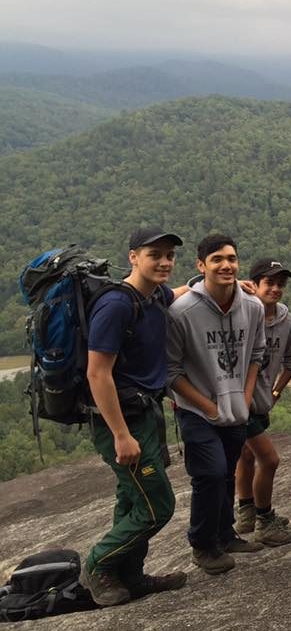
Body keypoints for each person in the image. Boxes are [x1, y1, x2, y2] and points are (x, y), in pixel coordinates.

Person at [80, 227, 187, 606]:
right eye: (154, 254)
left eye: (169, 255)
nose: (164, 262)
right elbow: (97, 374)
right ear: (133, 257)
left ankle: (130, 576)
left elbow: (179, 292)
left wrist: (231, 282)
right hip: (121, 419)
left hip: (145, 411)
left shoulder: (154, 295)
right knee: (158, 507)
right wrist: (121, 435)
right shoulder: (116, 306)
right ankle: (97, 564)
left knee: (131, 498)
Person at [167, 234, 266, 575]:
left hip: (236, 407)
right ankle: (202, 544)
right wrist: (208, 407)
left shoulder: (252, 307)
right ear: (201, 265)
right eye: (217, 259)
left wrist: (246, 397)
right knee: (209, 474)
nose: (226, 265)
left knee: (226, 473)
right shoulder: (181, 312)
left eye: (231, 259)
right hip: (196, 410)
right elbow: (170, 370)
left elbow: (256, 354)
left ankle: (225, 534)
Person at [234, 258, 291, 547]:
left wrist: (276, 392)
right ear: (254, 284)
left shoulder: (288, 321)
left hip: (262, 400)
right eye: (269, 282)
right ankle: (264, 520)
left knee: (246, 456)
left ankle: (246, 513)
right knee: (269, 459)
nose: (275, 289)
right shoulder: (241, 314)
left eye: (280, 284)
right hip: (240, 401)